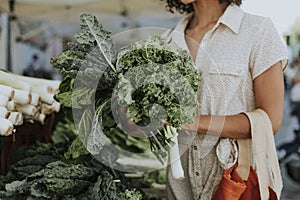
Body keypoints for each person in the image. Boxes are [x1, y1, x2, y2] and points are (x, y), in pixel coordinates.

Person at [159, 0, 288, 199]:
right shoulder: (166, 40)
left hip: (235, 184)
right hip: (179, 190)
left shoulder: (257, 31)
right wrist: (138, 120)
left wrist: (194, 122)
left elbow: (270, 120)